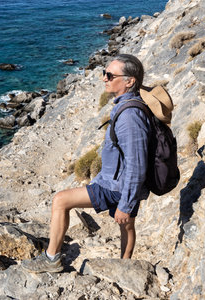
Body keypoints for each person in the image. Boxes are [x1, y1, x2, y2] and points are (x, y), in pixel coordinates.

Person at [22, 54, 150, 273]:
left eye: (110, 75)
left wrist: (126, 204)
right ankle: (126, 267)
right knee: (126, 226)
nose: (104, 79)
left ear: (129, 81)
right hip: (118, 183)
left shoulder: (130, 116)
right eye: (104, 73)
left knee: (61, 201)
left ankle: (51, 259)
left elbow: (137, 164)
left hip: (115, 187)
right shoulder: (128, 105)